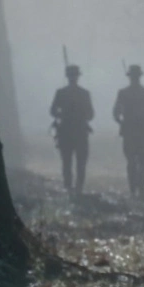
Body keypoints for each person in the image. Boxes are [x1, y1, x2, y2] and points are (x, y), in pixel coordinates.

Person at [112, 64, 144, 197]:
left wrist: (123, 122)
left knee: (135, 162)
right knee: (141, 162)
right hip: (141, 131)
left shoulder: (124, 93)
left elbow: (116, 113)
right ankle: (139, 188)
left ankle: (135, 188)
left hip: (132, 131)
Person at [50, 64, 93, 194]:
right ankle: (74, 187)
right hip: (74, 131)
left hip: (68, 131)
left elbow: (53, 111)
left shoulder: (62, 93)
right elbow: (91, 114)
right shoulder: (83, 93)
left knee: (70, 162)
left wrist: (63, 116)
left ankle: (72, 187)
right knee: (73, 162)